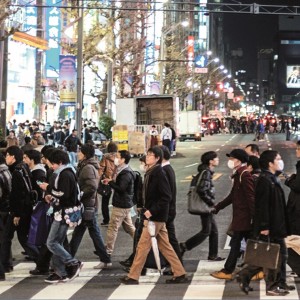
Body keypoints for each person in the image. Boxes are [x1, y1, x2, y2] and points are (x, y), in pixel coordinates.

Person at [120, 146, 188, 285]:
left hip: (155, 217)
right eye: (147, 154)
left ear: (157, 158)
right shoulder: (151, 172)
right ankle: (180, 272)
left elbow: (166, 196)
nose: (147, 157)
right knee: (166, 247)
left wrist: (152, 211)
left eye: (150, 155)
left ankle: (133, 276)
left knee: (142, 246)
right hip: (156, 216)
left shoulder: (159, 173)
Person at [252, 150, 292, 296]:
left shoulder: (272, 178)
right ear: (270, 163)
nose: (281, 161)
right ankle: (272, 285)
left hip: (277, 224)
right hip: (271, 226)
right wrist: (264, 227)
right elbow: (262, 205)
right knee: (272, 258)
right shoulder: (264, 180)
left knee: (282, 255)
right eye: (278, 158)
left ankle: (281, 282)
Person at [211, 149, 255, 280]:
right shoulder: (238, 174)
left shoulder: (244, 175)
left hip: (244, 217)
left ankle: (228, 270)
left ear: (239, 160)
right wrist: (218, 207)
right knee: (247, 243)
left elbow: (251, 197)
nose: (230, 161)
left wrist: (255, 218)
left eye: (232, 158)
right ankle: (257, 269)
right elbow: (233, 196)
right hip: (241, 216)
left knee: (236, 243)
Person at [69, 144, 111, 268]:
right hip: (88, 205)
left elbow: (92, 186)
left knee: (89, 231)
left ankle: (68, 259)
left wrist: (80, 194)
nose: (78, 154)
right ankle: (69, 258)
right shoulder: (87, 165)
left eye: (80, 152)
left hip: (88, 205)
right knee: (83, 231)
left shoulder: (87, 167)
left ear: (85, 154)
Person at [44, 149, 82, 283]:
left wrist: (48, 189)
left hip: (64, 213)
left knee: (51, 242)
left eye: (53, 163)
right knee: (57, 242)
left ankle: (73, 262)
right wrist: (51, 197)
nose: (51, 166)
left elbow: (63, 194)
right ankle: (60, 272)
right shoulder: (67, 172)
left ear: (60, 162)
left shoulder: (65, 174)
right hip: (64, 211)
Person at [180, 151, 224, 262]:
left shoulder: (206, 171)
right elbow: (201, 189)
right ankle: (183, 247)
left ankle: (213, 255)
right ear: (211, 161)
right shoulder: (206, 173)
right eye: (216, 158)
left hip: (206, 205)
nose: (218, 160)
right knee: (206, 231)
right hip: (205, 206)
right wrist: (210, 202)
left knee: (213, 231)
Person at [1, 146, 36, 272]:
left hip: (18, 211)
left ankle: (5, 266)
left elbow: (18, 194)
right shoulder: (23, 168)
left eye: (7, 156)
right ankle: (42, 261)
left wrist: (16, 214)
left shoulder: (16, 171)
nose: (6, 158)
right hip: (24, 209)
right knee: (22, 238)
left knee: (7, 238)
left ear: (13, 156)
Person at [102, 150, 136, 264]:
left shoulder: (126, 173)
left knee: (112, 228)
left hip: (121, 204)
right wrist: (111, 181)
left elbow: (121, 188)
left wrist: (111, 183)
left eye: (117, 157)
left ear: (123, 159)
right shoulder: (122, 170)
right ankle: (144, 243)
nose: (115, 158)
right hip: (124, 204)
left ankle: (107, 253)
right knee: (129, 228)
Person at [285, 140, 300, 276]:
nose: (296, 151)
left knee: (293, 239)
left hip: (297, 208)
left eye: (298, 148)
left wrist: (289, 180)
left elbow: (298, 186)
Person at [98, 142, 118, 226]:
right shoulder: (119, 157)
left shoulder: (105, 157)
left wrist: (98, 179)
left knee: (105, 202)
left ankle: (106, 220)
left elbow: (101, 169)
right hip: (117, 180)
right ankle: (118, 220)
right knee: (118, 201)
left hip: (107, 181)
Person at [0, 152, 11, 280]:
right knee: (4, 239)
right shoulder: (7, 171)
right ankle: (6, 264)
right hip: (6, 209)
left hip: (2, 209)